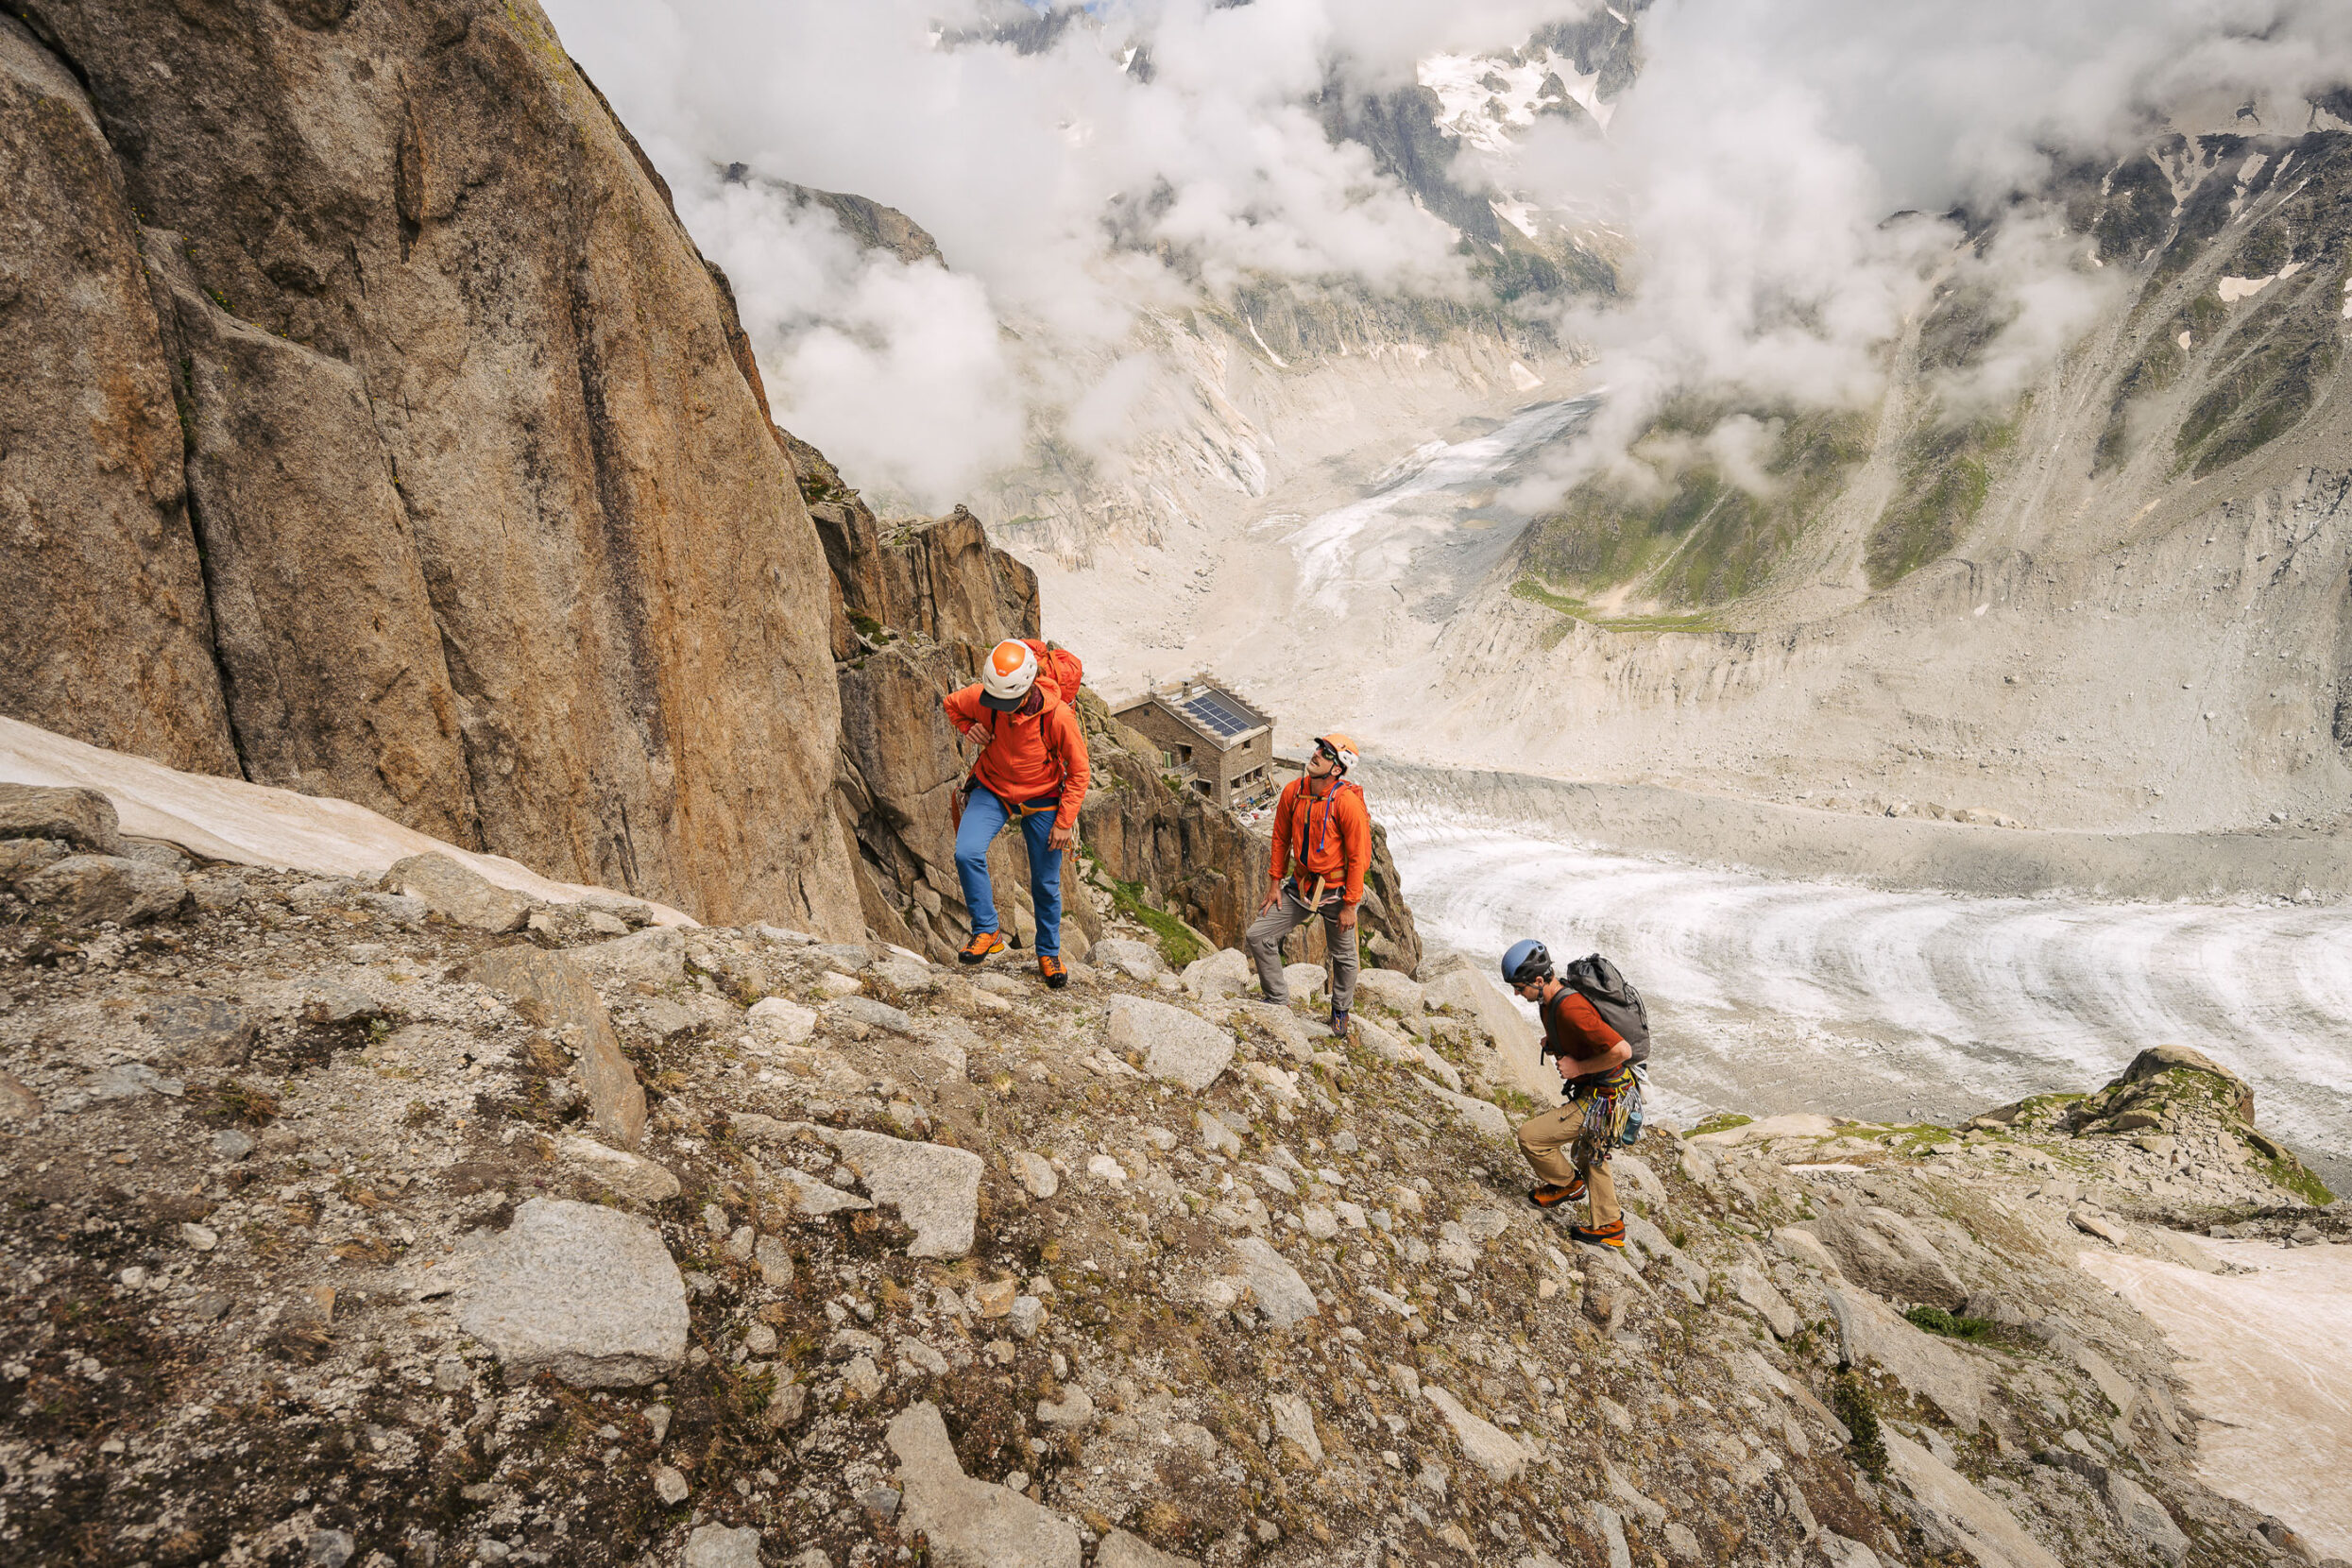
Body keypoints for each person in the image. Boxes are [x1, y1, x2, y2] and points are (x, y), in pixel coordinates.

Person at [942, 639, 1090, 989]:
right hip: (993, 787)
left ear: (1026, 691)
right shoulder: (988, 697)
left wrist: (1064, 822)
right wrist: (969, 728)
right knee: (966, 852)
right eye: (996, 703)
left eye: (1007, 703)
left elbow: (1080, 771)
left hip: (1043, 796)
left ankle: (1049, 953)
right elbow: (953, 704)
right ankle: (987, 930)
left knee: (1046, 884)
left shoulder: (1057, 716)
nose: (1000, 709)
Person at [1502, 938, 1642, 1248]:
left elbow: (1622, 1050)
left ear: (1539, 980)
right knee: (1588, 1154)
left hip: (1605, 1098)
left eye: (1520, 986)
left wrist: (1578, 1068)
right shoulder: (1549, 1002)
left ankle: (1567, 1185)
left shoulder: (1571, 1008)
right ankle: (1609, 1226)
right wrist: (1556, 1045)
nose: (1516, 992)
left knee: (1531, 1137)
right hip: (1604, 1091)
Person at [1245, 733, 1370, 1036]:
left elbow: (1359, 857)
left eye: (1326, 753)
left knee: (1344, 958)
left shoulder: (1347, 804)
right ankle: (1278, 1000)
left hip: (1337, 893)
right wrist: (1275, 882)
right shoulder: (1294, 792)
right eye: (1319, 748)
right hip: (1300, 886)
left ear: (1337, 769)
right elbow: (1280, 838)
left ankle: (1340, 1010)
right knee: (1258, 935)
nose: (1316, 754)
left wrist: (1351, 905)